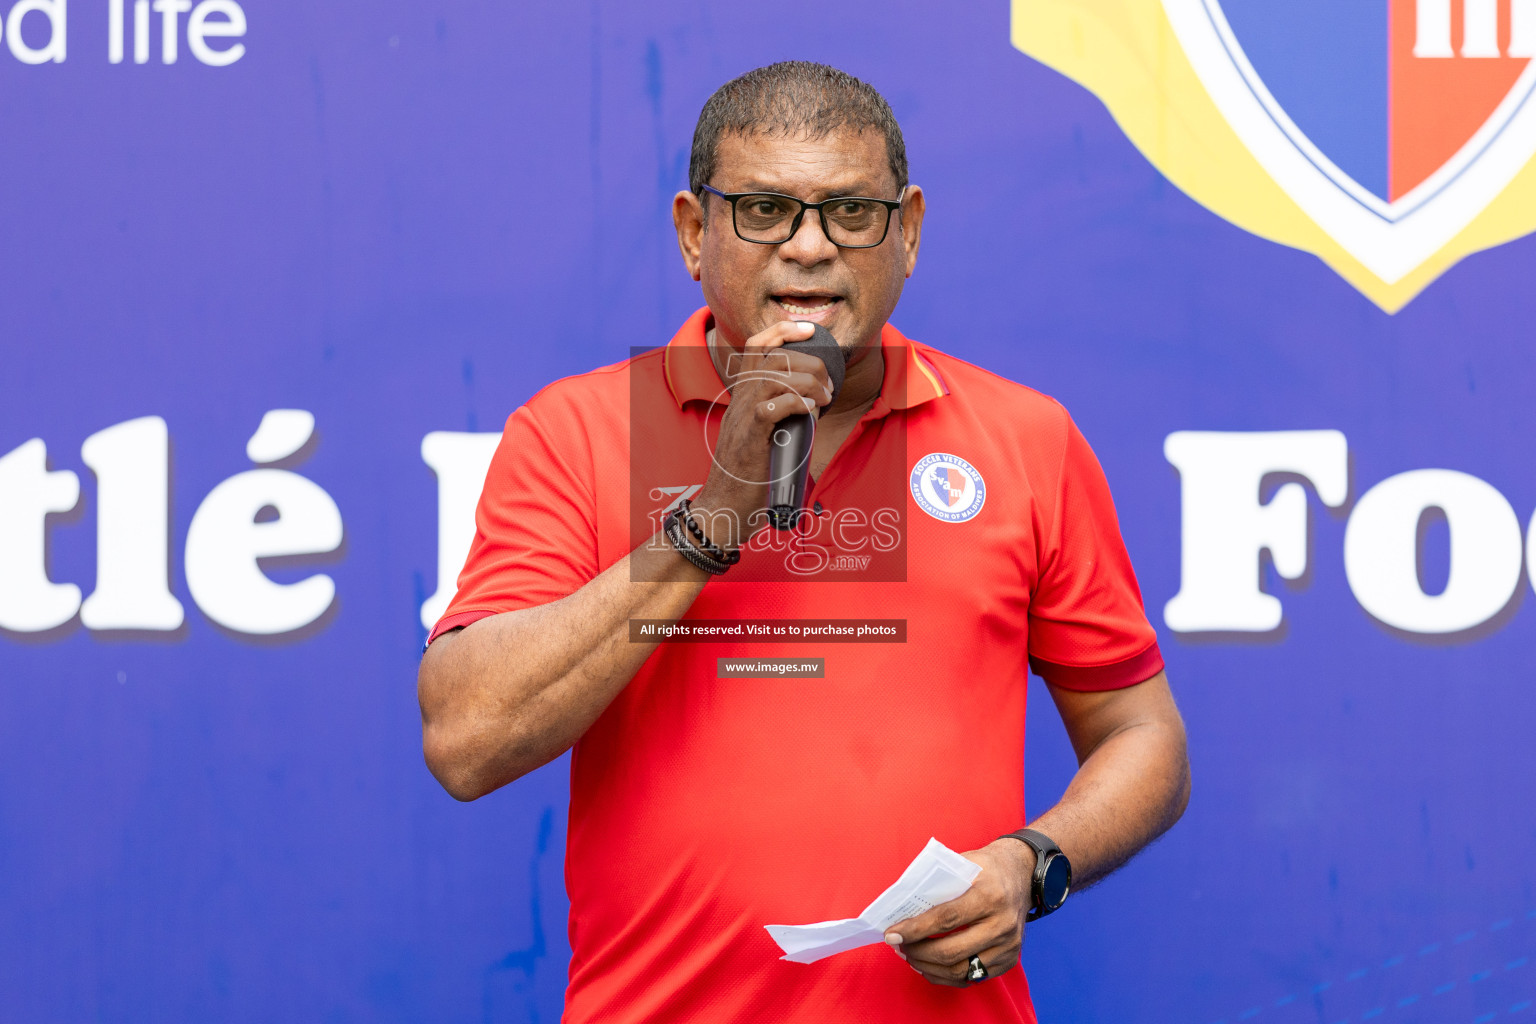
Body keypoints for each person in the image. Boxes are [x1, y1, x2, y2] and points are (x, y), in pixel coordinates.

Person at [417, 61, 1189, 1023]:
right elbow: (466, 738)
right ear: (695, 235)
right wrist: (713, 517)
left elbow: (1143, 735)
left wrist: (1030, 865)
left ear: (907, 232)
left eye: (851, 213)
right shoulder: (577, 430)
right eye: (764, 210)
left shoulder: (1027, 438)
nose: (811, 248)